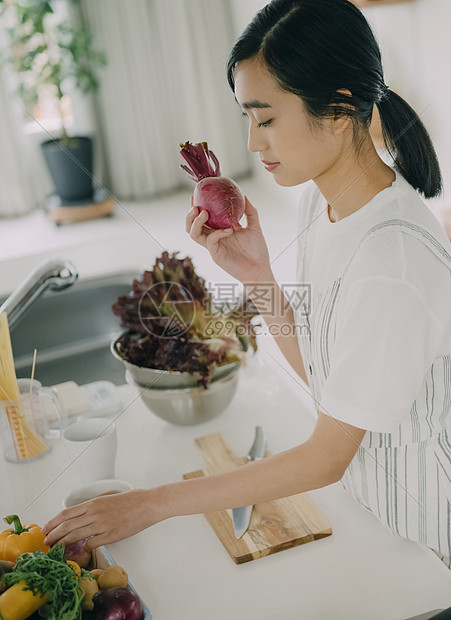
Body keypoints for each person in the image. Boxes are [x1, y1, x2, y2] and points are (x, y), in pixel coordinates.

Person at [43, 0, 451, 569]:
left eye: (265, 119)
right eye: (247, 120)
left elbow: (325, 458)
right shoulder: (321, 202)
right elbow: (329, 381)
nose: (254, 145)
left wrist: (153, 504)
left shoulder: (393, 261)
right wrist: (259, 274)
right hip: (372, 519)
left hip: (426, 548)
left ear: (338, 110)